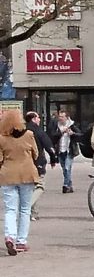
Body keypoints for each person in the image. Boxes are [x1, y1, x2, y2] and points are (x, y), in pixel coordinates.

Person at [0, 109, 39, 255]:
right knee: (25, 209)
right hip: (27, 174)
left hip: (7, 175)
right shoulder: (29, 135)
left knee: (10, 209)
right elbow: (36, 152)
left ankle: (10, 236)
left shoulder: (1, 138)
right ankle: (21, 241)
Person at [24, 111, 55, 221]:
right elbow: (48, 145)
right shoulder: (38, 131)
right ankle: (26, 208)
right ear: (33, 119)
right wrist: (53, 159)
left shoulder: (22, 130)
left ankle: (33, 213)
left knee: (31, 188)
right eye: (38, 117)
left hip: (25, 163)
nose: (39, 119)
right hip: (38, 163)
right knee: (40, 186)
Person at [52, 109, 79, 193]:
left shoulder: (72, 125)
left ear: (67, 117)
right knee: (64, 169)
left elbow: (80, 134)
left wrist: (72, 134)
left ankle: (65, 185)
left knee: (67, 168)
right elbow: (52, 136)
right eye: (59, 116)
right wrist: (61, 132)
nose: (60, 118)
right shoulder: (57, 125)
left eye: (62, 117)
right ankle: (70, 186)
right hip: (60, 150)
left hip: (69, 150)